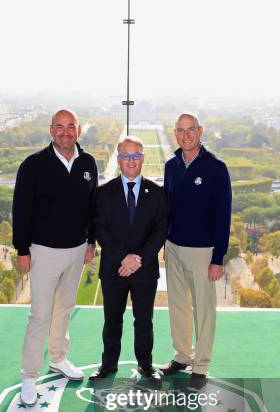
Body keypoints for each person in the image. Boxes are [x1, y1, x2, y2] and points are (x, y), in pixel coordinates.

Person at [12, 108, 97, 406]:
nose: (65, 132)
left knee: (65, 309)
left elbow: (92, 207)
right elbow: (20, 209)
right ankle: (29, 375)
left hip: (76, 250)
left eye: (70, 126)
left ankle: (58, 358)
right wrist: (22, 248)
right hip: (43, 252)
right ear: (51, 130)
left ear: (78, 131)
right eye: (59, 127)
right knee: (40, 314)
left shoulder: (88, 163)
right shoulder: (33, 165)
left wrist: (91, 242)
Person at [161, 112, 232, 388]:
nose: (185, 135)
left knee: (204, 310)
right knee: (178, 305)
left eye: (191, 130)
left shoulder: (216, 168)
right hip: (174, 248)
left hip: (202, 251)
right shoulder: (171, 165)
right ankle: (182, 355)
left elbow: (223, 214)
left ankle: (200, 366)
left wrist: (218, 257)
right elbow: (167, 208)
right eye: (180, 130)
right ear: (175, 133)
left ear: (200, 131)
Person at [89, 136, 168, 381]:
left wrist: (138, 259)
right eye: (126, 156)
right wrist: (124, 258)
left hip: (144, 270)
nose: (131, 161)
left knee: (144, 321)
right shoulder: (103, 193)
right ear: (118, 159)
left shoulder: (157, 193)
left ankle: (146, 365)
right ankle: (108, 365)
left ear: (142, 158)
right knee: (112, 320)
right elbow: (100, 229)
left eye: (136, 156)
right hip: (114, 268)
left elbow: (160, 231)